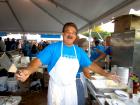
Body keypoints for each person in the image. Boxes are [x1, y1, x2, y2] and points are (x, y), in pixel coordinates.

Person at [16, 22, 119, 105]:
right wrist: (28, 71)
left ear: (75, 36)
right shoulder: (53, 48)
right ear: (63, 34)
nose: (70, 34)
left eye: (73, 33)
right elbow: (37, 61)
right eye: (67, 32)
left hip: (71, 89)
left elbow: (91, 65)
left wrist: (106, 74)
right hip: (56, 89)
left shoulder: (79, 51)